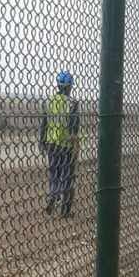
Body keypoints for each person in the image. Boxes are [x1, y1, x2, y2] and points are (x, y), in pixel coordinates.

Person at [39, 71, 80, 217]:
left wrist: (41, 141)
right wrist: (76, 146)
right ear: (70, 86)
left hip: (51, 144)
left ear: (58, 85)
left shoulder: (48, 101)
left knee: (54, 173)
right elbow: (74, 127)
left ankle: (53, 195)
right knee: (67, 176)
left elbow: (44, 123)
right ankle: (65, 211)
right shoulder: (72, 103)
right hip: (67, 145)